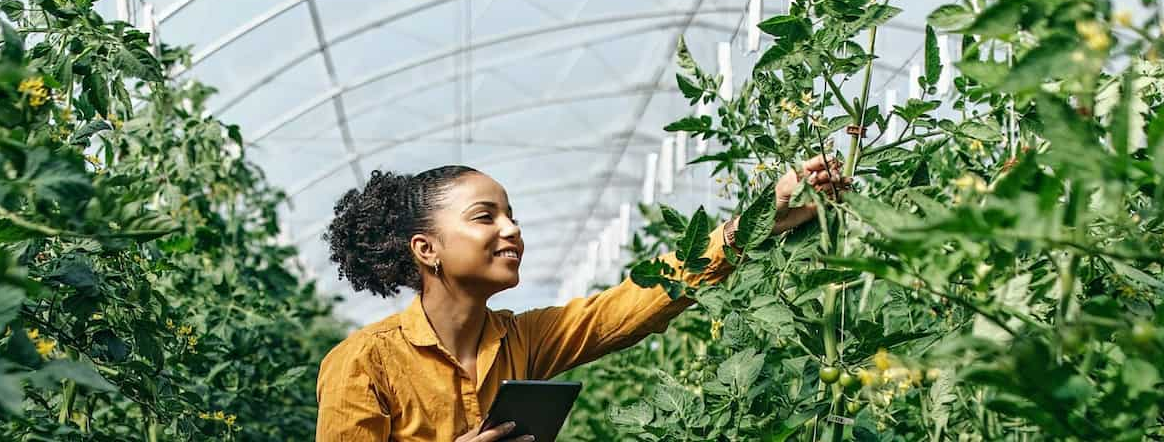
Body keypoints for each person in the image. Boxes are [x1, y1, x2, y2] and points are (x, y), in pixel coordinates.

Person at [315, 156, 848, 441]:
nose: (512, 230)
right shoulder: (364, 364)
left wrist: (758, 222)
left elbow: (636, 302)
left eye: (512, 215)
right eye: (486, 217)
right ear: (426, 249)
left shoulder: (523, 339)